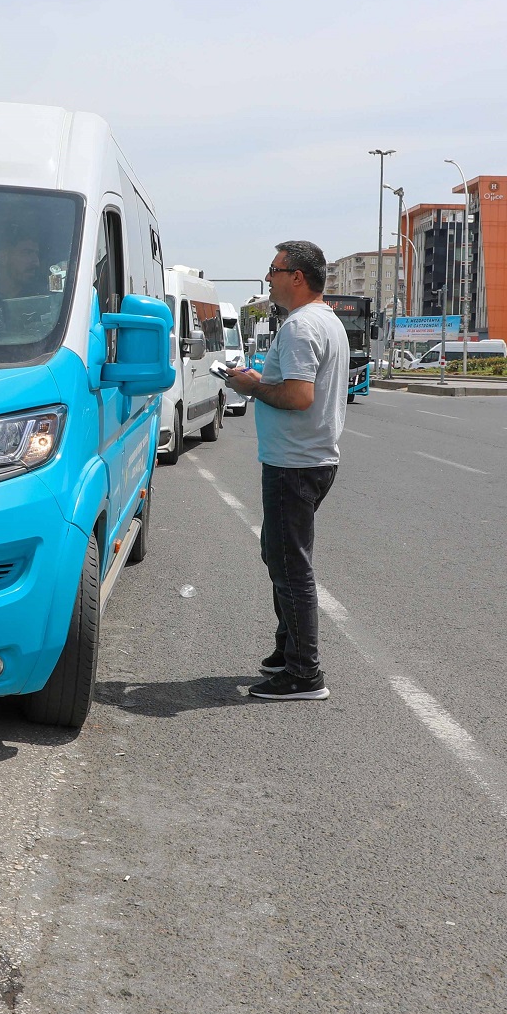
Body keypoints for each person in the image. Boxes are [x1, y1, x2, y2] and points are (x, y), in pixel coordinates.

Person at [224, 240, 349, 702]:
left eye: (274, 270)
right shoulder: (325, 320)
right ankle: (288, 649)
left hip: (294, 463)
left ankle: (304, 673)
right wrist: (257, 382)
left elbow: (298, 397)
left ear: (296, 276)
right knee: (278, 555)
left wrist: (252, 388)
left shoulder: (300, 327)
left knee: (290, 566)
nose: (269, 278)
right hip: (310, 458)